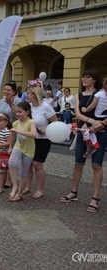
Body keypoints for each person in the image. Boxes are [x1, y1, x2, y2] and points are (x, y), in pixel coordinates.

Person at [60, 69, 107, 213]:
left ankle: (95, 198)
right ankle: (73, 192)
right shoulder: (78, 95)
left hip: (101, 132)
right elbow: (79, 114)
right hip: (83, 132)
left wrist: (101, 124)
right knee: (78, 164)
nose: (84, 79)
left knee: (96, 165)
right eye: (83, 77)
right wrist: (91, 121)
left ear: (94, 80)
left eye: (88, 77)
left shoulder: (102, 93)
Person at [23, 85, 58, 199]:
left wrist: (45, 129)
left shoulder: (46, 107)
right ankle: (27, 187)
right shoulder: (28, 107)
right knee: (28, 163)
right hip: (30, 138)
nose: (26, 95)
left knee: (37, 165)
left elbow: (55, 122)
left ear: (34, 94)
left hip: (43, 140)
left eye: (28, 93)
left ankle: (40, 189)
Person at [7, 101, 37, 202]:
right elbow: (12, 136)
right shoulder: (15, 123)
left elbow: (34, 134)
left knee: (23, 172)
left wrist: (18, 131)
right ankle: (15, 186)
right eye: (16, 112)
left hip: (29, 150)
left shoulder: (31, 122)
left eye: (20, 112)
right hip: (18, 147)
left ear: (27, 112)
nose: (17, 114)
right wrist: (10, 147)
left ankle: (19, 194)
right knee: (12, 162)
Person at [79, 77, 107, 157]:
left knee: (83, 129)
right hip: (104, 117)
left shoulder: (99, 94)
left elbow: (92, 106)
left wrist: (85, 109)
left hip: (96, 117)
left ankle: (89, 147)